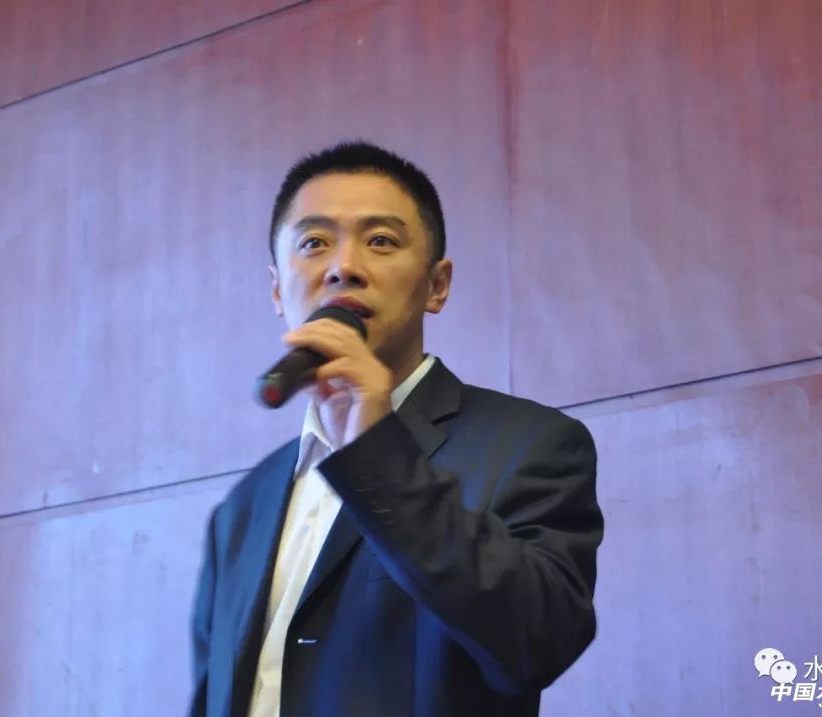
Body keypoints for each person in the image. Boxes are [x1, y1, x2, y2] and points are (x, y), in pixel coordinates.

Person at [188, 140, 603, 717]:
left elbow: (538, 642)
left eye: (381, 241)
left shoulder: (529, 446)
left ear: (437, 285)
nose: (344, 267)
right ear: (278, 289)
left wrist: (376, 453)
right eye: (313, 243)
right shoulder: (242, 508)